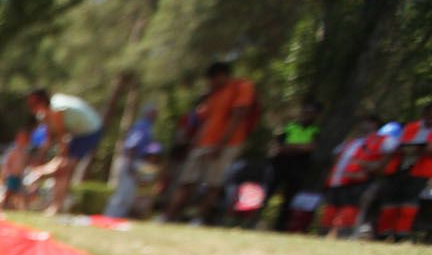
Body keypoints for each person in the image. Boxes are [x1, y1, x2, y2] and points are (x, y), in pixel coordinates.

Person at [166, 61, 258, 223]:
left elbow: (238, 116)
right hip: (203, 144)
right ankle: (169, 217)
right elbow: (205, 120)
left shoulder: (242, 86)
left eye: (212, 79)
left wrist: (221, 144)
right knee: (186, 180)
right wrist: (194, 141)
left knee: (213, 184)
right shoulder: (213, 94)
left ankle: (198, 220)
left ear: (222, 75)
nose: (210, 83)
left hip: (227, 144)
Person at [25, 88, 102, 215]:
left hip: (90, 131)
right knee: (61, 167)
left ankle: (56, 206)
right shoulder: (46, 112)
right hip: (77, 133)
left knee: (64, 169)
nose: (31, 108)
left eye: (33, 104)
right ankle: (55, 203)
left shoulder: (56, 110)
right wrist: (41, 159)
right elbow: (48, 138)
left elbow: (62, 139)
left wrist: (58, 161)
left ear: (41, 103)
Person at [378, 102, 432, 242]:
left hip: (420, 170)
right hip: (398, 166)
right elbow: (397, 145)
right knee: (390, 198)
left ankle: (401, 233)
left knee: (409, 200)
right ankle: (384, 231)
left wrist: (419, 150)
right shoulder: (411, 127)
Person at [319, 116, 378, 237]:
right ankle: (324, 232)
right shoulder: (350, 142)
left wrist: (366, 171)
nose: (364, 125)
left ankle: (343, 234)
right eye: (363, 122)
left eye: (369, 123)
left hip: (356, 181)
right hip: (337, 180)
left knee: (349, 207)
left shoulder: (378, 142)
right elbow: (336, 156)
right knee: (331, 207)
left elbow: (381, 160)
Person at [266, 99, 320, 231]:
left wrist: (291, 147)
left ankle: (280, 227)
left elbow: (311, 147)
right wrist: (298, 148)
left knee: (289, 199)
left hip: (298, 168)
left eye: (311, 112)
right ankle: (254, 220)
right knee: (268, 192)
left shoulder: (316, 130)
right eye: (305, 111)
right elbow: (278, 145)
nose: (307, 114)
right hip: (280, 164)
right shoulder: (290, 126)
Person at [105, 104, 156, 218]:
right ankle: (111, 217)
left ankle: (118, 217)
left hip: (132, 161)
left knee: (129, 193)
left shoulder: (147, 127)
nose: (155, 116)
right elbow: (131, 146)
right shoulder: (142, 126)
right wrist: (130, 165)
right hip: (130, 161)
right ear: (147, 113)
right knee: (123, 192)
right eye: (153, 113)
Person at [0, 128, 31, 210]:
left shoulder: (25, 151)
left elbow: (24, 163)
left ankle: (16, 207)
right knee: (9, 192)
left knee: (18, 192)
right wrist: (5, 172)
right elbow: (6, 162)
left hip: (19, 175)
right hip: (11, 174)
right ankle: (4, 206)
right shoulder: (13, 149)